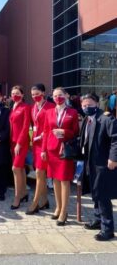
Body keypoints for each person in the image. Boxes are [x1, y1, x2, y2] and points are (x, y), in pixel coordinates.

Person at [79, 93, 117, 241]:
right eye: (84, 105)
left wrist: (113, 158)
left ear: (97, 104)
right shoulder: (87, 119)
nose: (87, 107)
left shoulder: (107, 119)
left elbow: (115, 139)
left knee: (102, 196)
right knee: (95, 192)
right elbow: (84, 139)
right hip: (90, 163)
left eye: (89, 105)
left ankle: (107, 229)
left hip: (103, 164)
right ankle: (97, 219)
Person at [41, 87, 79, 225]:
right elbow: (45, 131)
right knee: (55, 180)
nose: (58, 98)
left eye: (60, 95)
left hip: (65, 150)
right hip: (52, 149)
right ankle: (57, 207)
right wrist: (43, 150)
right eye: (55, 96)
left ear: (66, 95)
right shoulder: (49, 112)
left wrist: (64, 132)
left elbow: (75, 132)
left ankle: (64, 211)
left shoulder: (72, 112)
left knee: (64, 180)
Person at [26, 84, 54, 214]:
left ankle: (35, 202)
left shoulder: (50, 107)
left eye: (37, 94)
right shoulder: (33, 107)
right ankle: (44, 200)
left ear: (43, 93)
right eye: (32, 95)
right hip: (36, 143)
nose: (35, 97)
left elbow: (52, 125)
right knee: (40, 174)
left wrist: (45, 134)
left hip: (46, 143)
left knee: (39, 173)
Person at [9, 86, 31, 209]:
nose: (15, 95)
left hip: (20, 143)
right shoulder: (13, 107)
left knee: (15, 168)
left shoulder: (25, 107)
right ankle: (23, 193)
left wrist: (19, 143)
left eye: (17, 93)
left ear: (22, 95)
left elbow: (25, 127)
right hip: (12, 142)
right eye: (13, 93)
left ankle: (17, 197)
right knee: (21, 168)